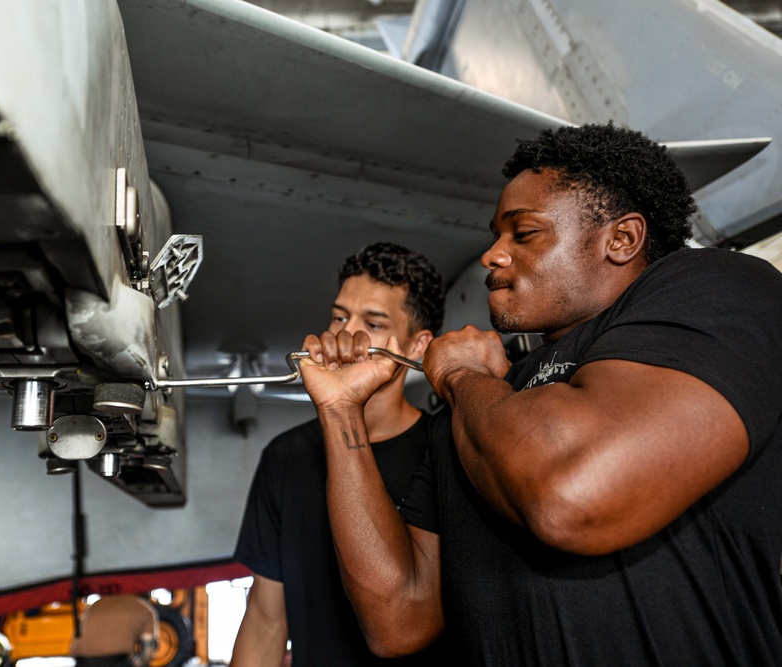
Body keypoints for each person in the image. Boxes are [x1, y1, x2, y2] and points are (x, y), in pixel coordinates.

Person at [300, 123, 782, 664]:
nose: (491, 255)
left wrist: (462, 378)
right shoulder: (480, 403)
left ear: (621, 240)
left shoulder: (715, 288)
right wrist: (341, 411)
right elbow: (398, 619)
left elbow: (573, 495)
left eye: (522, 233)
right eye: (495, 235)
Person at [231, 242, 447, 666]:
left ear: (417, 345)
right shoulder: (285, 456)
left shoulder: (445, 449)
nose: (346, 335)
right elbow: (266, 619)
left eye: (374, 322)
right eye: (339, 316)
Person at [68, 595, 159, 667]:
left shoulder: (95, 605)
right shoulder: (144, 609)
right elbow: (147, 653)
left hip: (81, 662)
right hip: (114, 662)